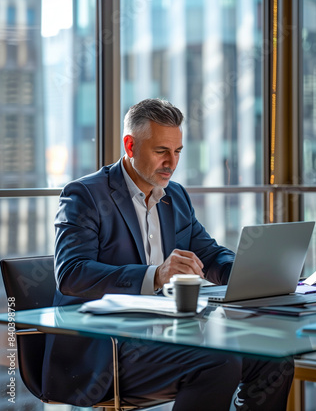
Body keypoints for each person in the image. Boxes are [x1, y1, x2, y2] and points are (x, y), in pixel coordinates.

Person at [42, 98, 294, 410]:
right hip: (104, 350)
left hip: (168, 333)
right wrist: (156, 275)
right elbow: (71, 274)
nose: (171, 163)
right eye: (161, 151)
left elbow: (209, 255)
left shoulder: (174, 195)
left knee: (274, 358)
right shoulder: (85, 195)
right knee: (218, 363)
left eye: (177, 152)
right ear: (130, 146)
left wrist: (251, 272)